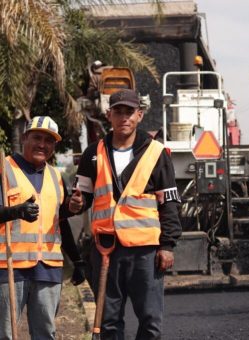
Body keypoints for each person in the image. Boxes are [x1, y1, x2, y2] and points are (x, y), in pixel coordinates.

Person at [75, 89, 182, 339]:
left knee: (151, 321)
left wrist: (167, 245)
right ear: (108, 115)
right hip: (106, 250)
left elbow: (169, 202)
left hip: (146, 252)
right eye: (118, 111)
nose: (124, 117)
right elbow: (83, 198)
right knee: (109, 322)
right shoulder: (93, 153)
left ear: (140, 115)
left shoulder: (156, 153)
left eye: (129, 112)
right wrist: (76, 204)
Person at [0, 116, 85, 340]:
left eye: (49, 141)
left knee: (46, 333)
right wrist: (15, 211)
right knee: (6, 334)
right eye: (37, 137)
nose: (42, 144)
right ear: (24, 137)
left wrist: (77, 261)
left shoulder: (56, 176)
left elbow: (60, 221)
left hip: (47, 269)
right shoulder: (3, 169)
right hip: (8, 267)